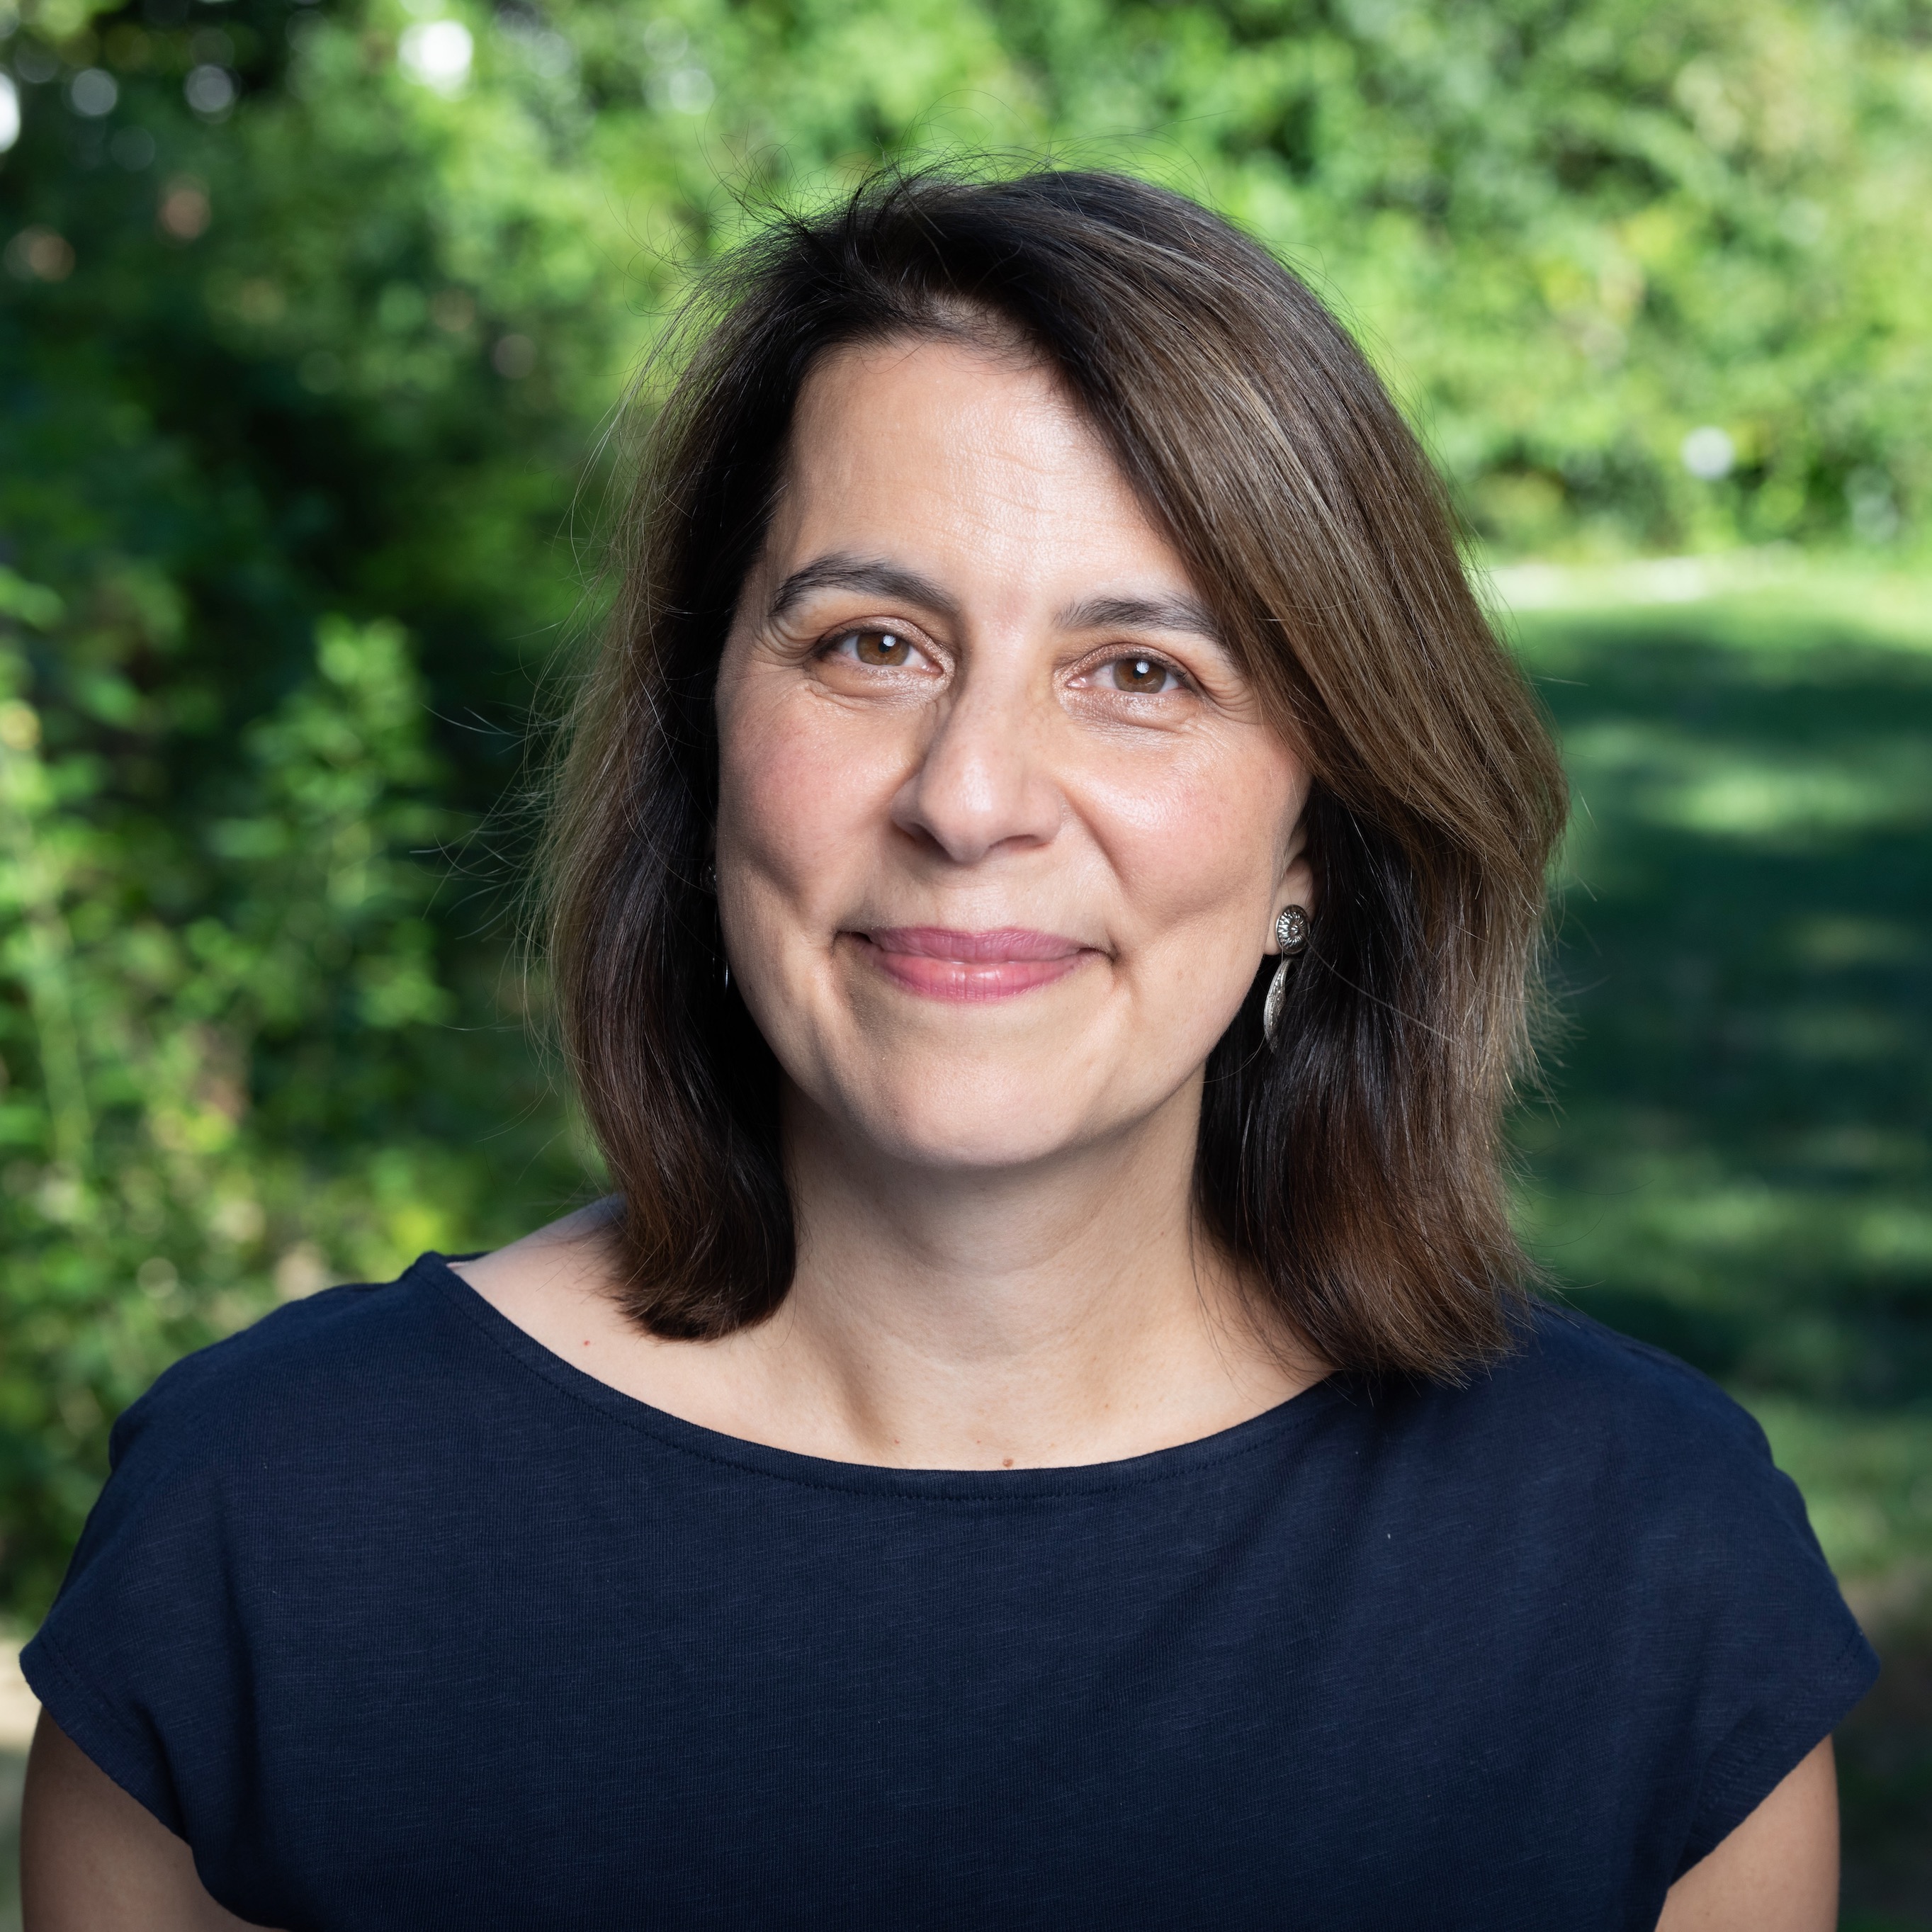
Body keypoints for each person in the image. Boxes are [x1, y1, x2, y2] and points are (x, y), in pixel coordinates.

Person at [21, 169, 1873, 1931]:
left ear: (1318, 829)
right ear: (704, 729)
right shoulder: (269, 1541)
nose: (971, 797)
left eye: (1142, 672)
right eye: (873, 643)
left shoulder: (1647, 1589)